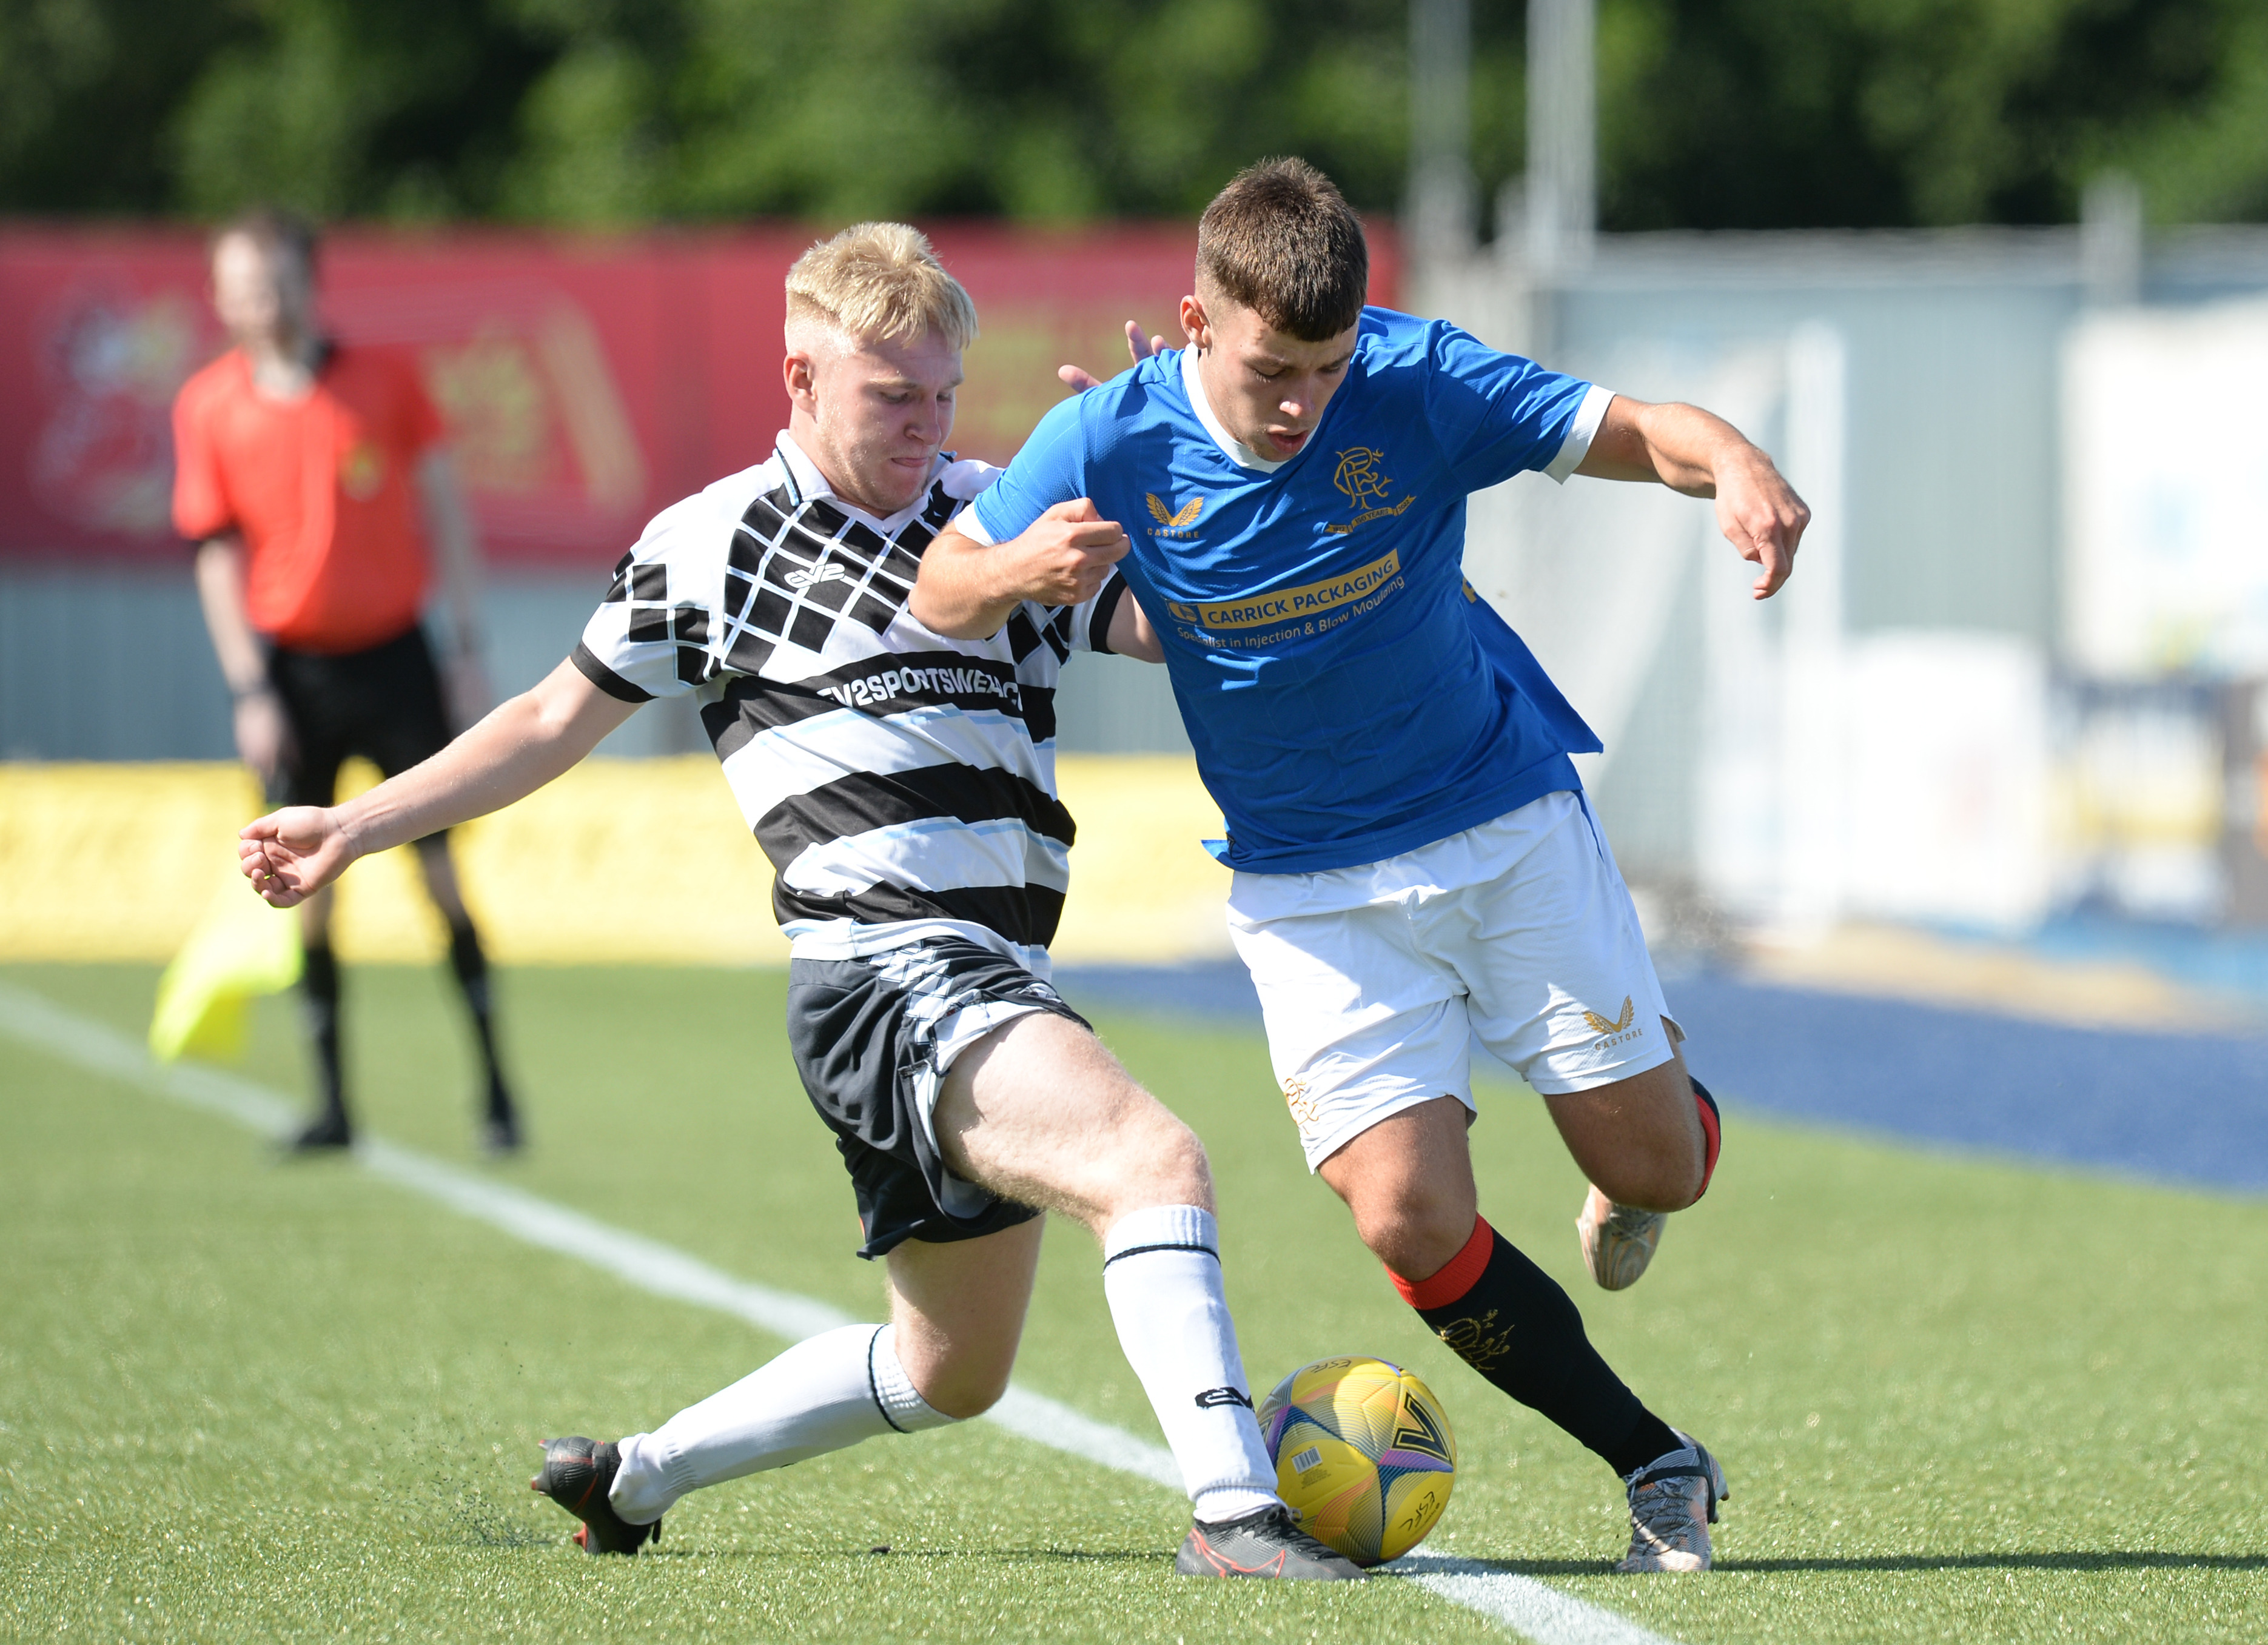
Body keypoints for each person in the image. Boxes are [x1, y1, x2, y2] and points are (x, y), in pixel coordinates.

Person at [233, 223, 1363, 1580]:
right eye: (894, 397)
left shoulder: (990, 507)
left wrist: (1183, 464)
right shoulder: (707, 545)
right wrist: (353, 826)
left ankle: (637, 1477)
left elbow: (1173, 624)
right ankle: (1237, 1517)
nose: (927, 424)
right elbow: (542, 721)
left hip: (995, 976)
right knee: (1153, 1162)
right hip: (885, 973)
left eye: (944, 393)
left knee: (952, 1370)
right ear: (800, 379)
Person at [913, 158, 1813, 1573]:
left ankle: (1659, 1130)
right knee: (1404, 1214)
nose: (1304, 403)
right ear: (1195, 324)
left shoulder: (1418, 376)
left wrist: (1738, 466)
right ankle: (1655, 1459)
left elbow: (1644, 429)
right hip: (1308, 886)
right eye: (1273, 370)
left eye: (1328, 369)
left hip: (1500, 826)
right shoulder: (1106, 434)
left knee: (1656, 1169)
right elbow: (940, 585)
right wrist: (1015, 573)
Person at [175, 207, 518, 1154]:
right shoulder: (208, 405)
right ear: (219, 297)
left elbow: (444, 506)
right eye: (245, 286)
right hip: (293, 672)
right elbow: (214, 553)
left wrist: (465, 644)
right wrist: (250, 689)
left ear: (309, 282)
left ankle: (497, 1092)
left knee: (441, 876)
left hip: (397, 659)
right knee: (305, 886)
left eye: (278, 281)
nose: (263, 302)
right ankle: (333, 1104)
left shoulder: (385, 381)